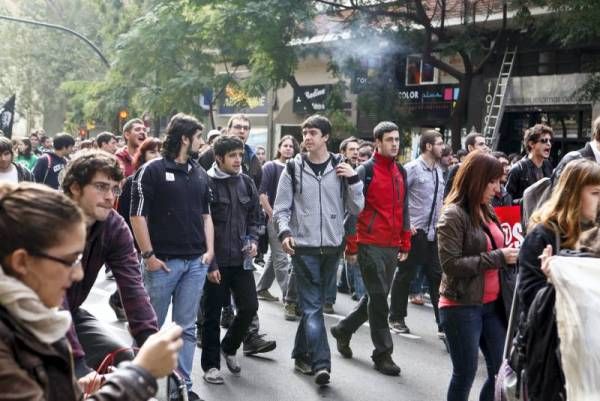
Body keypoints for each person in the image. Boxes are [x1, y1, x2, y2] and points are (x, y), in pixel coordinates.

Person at [0, 182, 184, 401]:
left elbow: (133, 286)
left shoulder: (36, 316)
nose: (79, 274)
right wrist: (139, 375)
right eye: (69, 260)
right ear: (22, 261)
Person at [273, 114, 364, 386]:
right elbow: (280, 209)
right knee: (313, 308)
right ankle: (321, 363)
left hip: (333, 248)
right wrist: (285, 232)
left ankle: (301, 354)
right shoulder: (292, 168)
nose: (307, 138)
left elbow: (357, 208)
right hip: (304, 249)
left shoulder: (341, 167)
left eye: (313, 133)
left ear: (326, 137)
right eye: (305, 133)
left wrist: (354, 179)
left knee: (311, 307)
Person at [130, 113, 213, 400]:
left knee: (186, 329)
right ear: (185, 138)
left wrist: (209, 252)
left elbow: (206, 216)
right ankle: (138, 387)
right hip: (161, 264)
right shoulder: (151, 170)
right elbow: (136, 215)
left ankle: (182, 389)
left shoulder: (200, 172)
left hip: (195, 263)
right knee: (148, 329)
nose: (202, 143)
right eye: (199, 137)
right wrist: (149, 256)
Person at [59, 150, 160, 379]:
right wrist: (77, 362)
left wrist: (150, 341)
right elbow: (53, 300)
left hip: (71, 313)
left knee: (122, 358)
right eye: (101, 187)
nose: (110, 197)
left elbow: (133, 286)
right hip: (24, 318)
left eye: (115, 189)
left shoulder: (114, 227)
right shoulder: (48, 219)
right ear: (75, 187)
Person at [437, 151, 519, 401]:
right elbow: (450, 264)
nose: (497, 189)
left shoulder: (487, 209)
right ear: (476, 180)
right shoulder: (452, 215)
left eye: (499, 182)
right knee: (465, 373)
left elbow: (498, 248)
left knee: (500, 370)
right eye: (492, 182)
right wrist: (499, 257)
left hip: (493, 305)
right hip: (461, 305)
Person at [329, 121, 409, 376]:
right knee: (378, 300)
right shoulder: (365, 170)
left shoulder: (401, 171)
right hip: (369, 243)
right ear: (377, 142)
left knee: (375, 298)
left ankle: (343, 329)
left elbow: (404, 207)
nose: (394, 144)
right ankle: (383, 354)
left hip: (392, 244)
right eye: (389, 140)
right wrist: (351, 246)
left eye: (397, 139)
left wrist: (406, 239)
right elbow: (353, 210)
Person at [517, 159, 600, 401]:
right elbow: (529, 301)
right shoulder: (542, 236)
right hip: (552, 356)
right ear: (573, 194)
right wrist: (554, 282)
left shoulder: (595, 236)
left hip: (590, 354)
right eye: (595, 193)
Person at [201, 136, 261, 384]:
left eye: (240, 155)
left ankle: (229, 346)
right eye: (233, 156)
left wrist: (254, 240)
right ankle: (211, 366)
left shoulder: (246, 182)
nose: (238, 160)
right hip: (216, 262)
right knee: (212, 316)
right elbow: (200, 225)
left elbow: (255, 218)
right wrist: (210, 264)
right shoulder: (205, 183)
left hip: (241, 260)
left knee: (249, 307)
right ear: (219, 158)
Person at [389, 130, 445, 336]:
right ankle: (396, 317)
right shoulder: (411, 168)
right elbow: (398, 197)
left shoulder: (439, 170)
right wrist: (407, 223)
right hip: (414, 232)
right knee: (405, 274)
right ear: (428, 146)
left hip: (433, 233)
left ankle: (443, 324)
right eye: (439, 143)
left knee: (436, 277)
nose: (443, 147)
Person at [255, 135, 300, 306]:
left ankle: (261, 288)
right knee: (281, 257)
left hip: (292, 220)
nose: (288, 148)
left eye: (291, 146)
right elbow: (262, 194)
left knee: (274, 257)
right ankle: (291, 299)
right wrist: (273, 215)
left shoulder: (295, 167)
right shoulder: (270, 166)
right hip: (276, 219)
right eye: (285, 145)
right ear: (279, 148)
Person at [506, 124, 553, 204]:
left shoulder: (548, 165)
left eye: (550, 141)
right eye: (543, 141)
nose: (548, 144)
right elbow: (507, 201)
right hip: (525, 215)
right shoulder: (518, 169)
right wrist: (527, 200)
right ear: (531, 144)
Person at [443, 132, 488, 199]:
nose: (485, 147)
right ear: (470, 148)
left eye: (485, 144)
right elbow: (448, 194)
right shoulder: (458, 168)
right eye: (481, 144)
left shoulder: (486, 169)